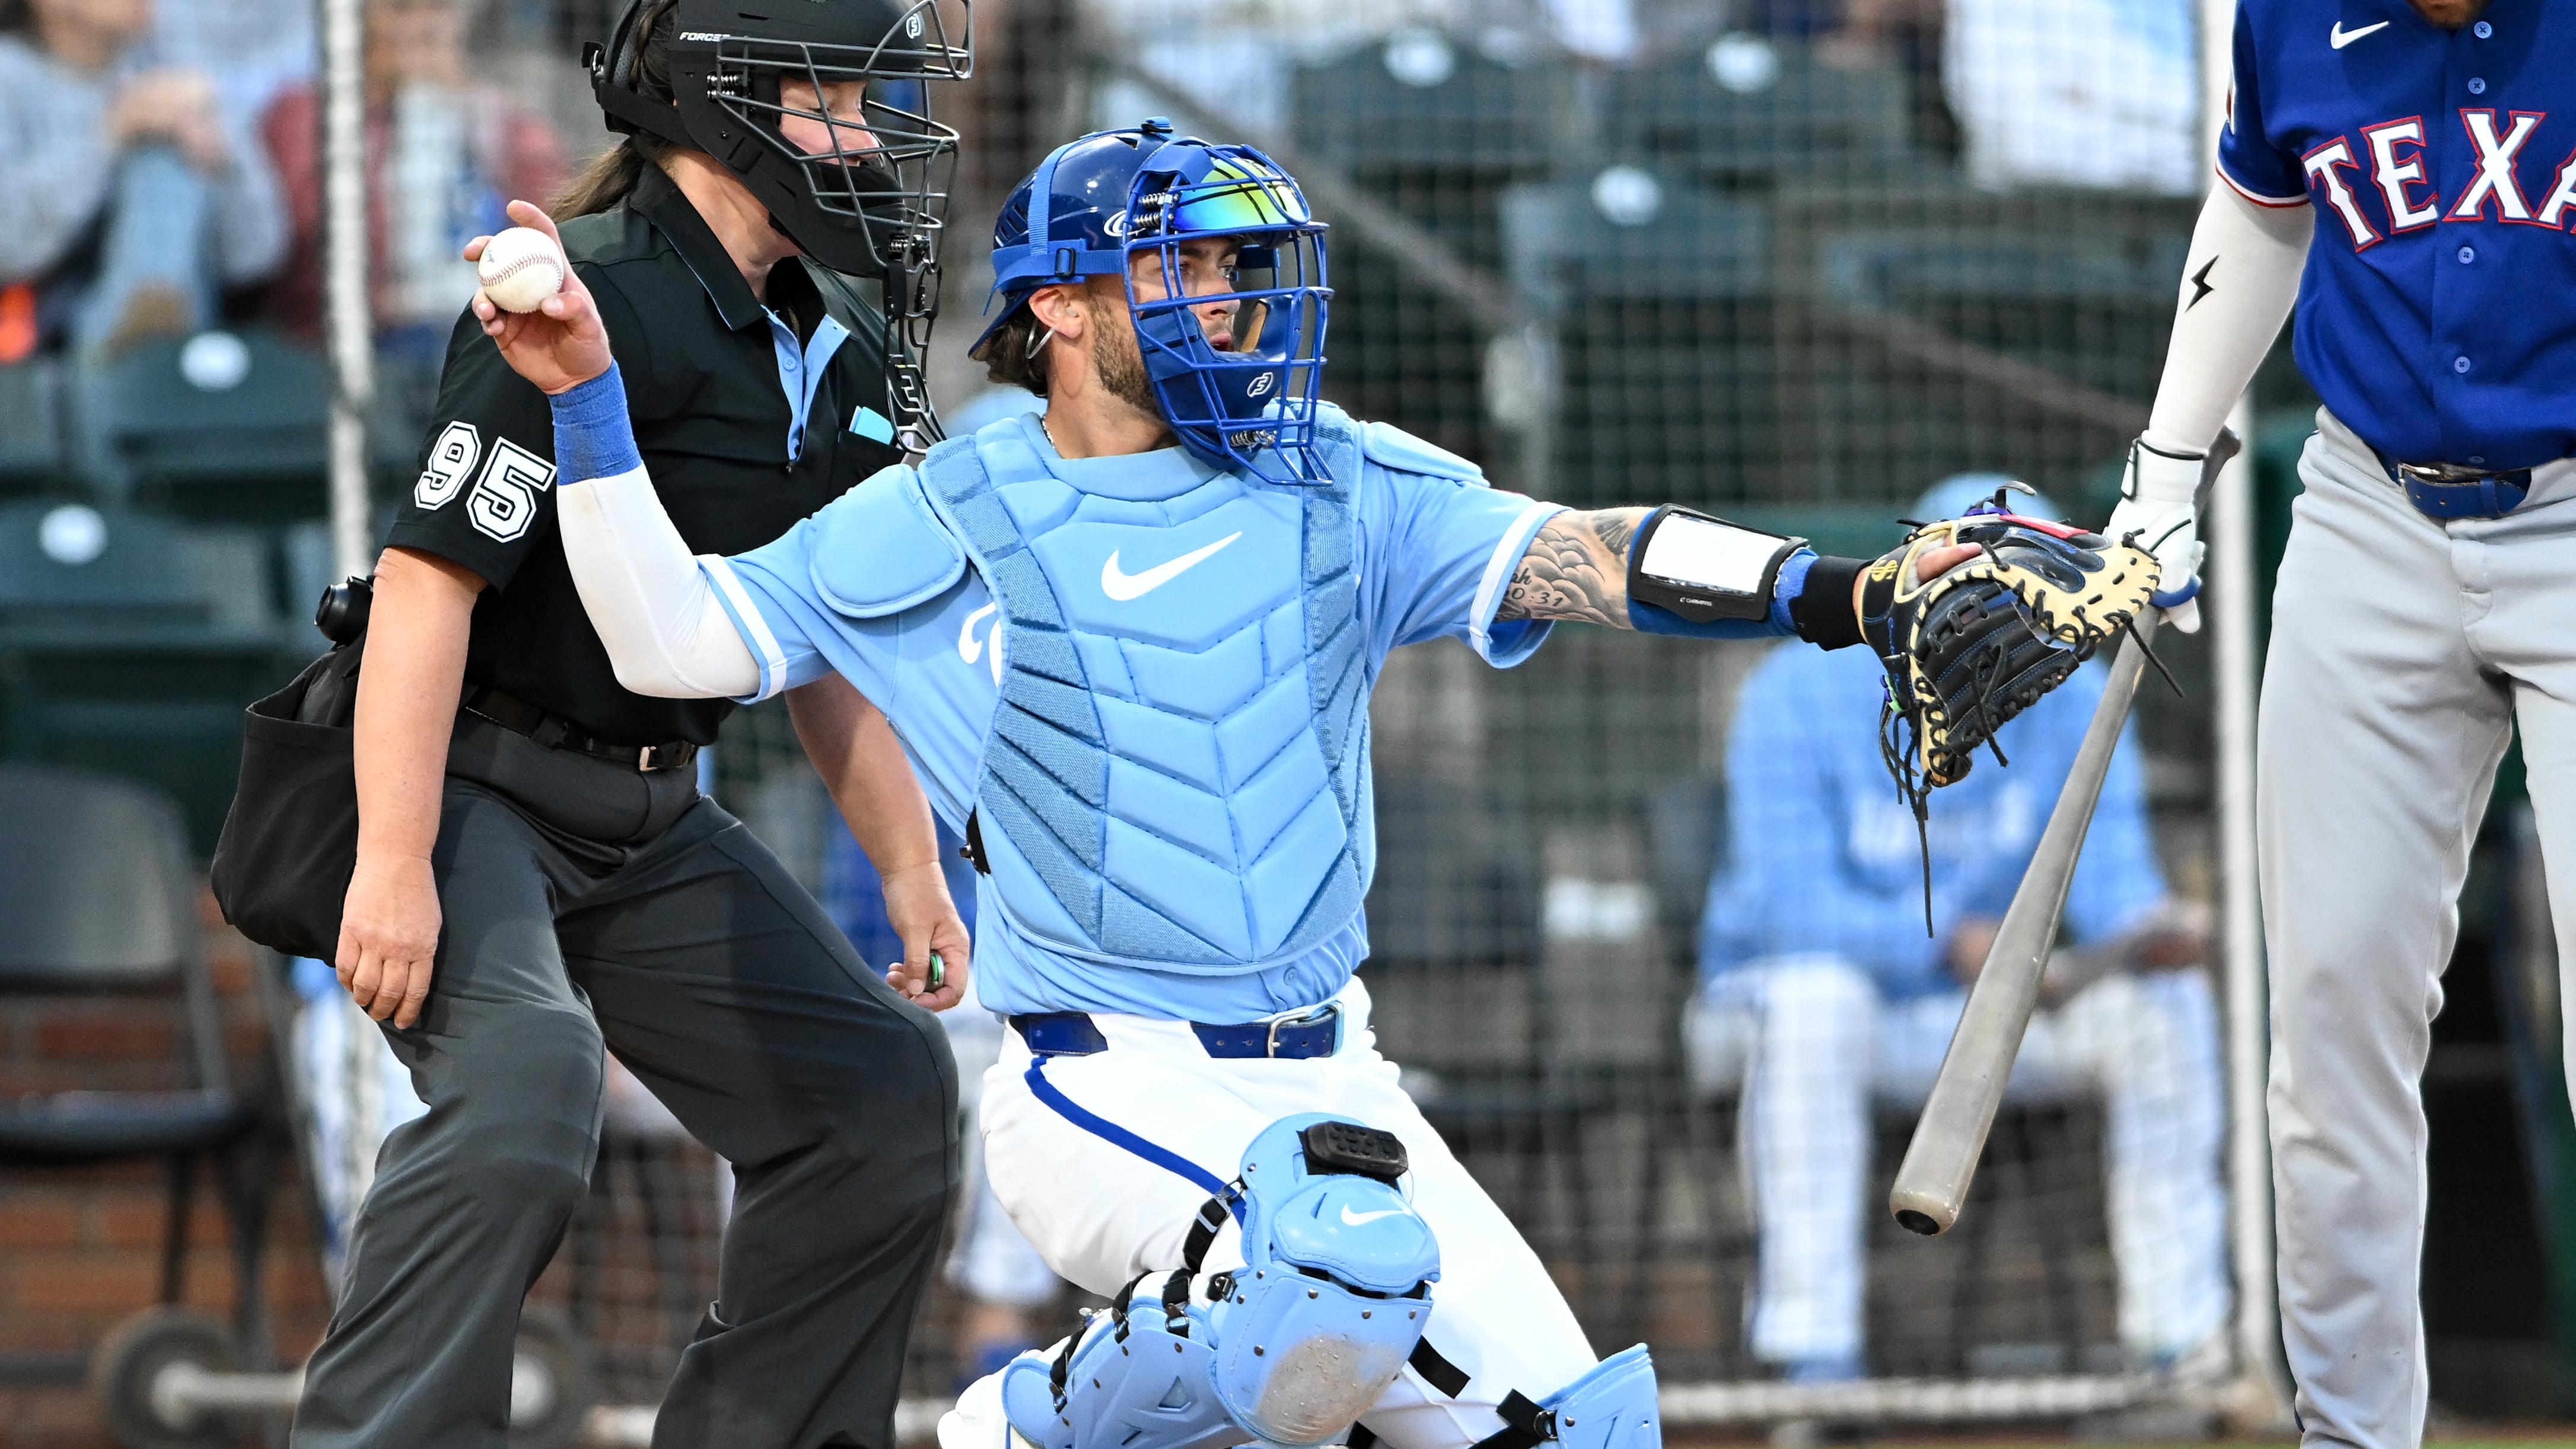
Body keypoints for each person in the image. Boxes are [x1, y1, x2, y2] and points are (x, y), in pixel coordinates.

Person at [535, 119, 2119, 1449]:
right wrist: (589, 404)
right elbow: (671, 639)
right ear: (1068, 309)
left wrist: (1836, 591)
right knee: (1326, 1279)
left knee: (1577, 1429)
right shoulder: (948, 505)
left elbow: (1592, 553)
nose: (1234, 302)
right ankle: (1014, 1424)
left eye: (1241, 267)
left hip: (1337, 1076)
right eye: (1191, 268)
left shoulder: (1330, 478)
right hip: (1107, 1078)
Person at [291, 4, 976, 1447]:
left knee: (880, 1095)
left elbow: (822, 648)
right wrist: (397, 861)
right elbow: (424, 589)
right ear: (721, 107)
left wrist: (911, 869)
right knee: (525, 1086)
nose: (875, 131)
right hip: (467, 783)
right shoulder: (577, 295)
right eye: (838, 98)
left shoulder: (837, 346)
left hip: (652, 813)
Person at [2112, 0, 2576, 1441]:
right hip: (2368, 508)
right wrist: (2162, 467)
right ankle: (2351, 1433)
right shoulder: (2292, 14)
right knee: (2325, 1032)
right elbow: (2262, 212)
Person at [1692, 475, 2230, 1385]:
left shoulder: (2072, 691)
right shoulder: (1794, 686)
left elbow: (2107, 881)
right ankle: (1811, 1355)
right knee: (1814, 1002)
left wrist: (2152, 929)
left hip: (1985, 1019)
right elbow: (1788, 911)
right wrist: (1942, 943)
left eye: (2029, 583)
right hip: (1796, 1009)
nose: (2003, 610)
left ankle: (2179, 1346)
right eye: (1981, 583)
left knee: (2164, 1010)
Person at [261, 0, 569, 414]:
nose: (422, 29)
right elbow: (306, 240)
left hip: (480, 324)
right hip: (352, 345)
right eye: (403, 10)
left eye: (436, 12)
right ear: (360, 22)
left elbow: (557, 214)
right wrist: (393, 112)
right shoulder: (308, 110)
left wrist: (460, 111)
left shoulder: (498, 117)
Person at [0, 0, 286, 358]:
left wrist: (223, 162)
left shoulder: (168, 74)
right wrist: (112, 132)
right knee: (156, 152)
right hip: (52, 342)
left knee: (164, 160)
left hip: (199, 326)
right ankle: (135, 339)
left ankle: (151, 321)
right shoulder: (10, 78)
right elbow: (7, 248)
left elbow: (257, 256)